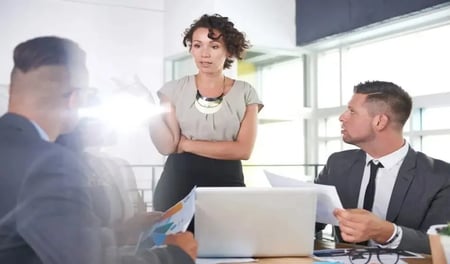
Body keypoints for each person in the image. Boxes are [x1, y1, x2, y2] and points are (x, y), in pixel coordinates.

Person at [0, 36, 197, 264]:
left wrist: (120, 233)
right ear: (75, 98)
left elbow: (41, 237)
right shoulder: (50, 163)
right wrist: (174, 255)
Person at [149, 14, 263, 232]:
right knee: (174, 255)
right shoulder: (172, 90)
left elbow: (243, 149)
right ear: (191, 49)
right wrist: (147, 107)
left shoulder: (245, 92)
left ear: (228, 50)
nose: (204, 53)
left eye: (214, 45)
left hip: (227, 186)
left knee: (229, 250)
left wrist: (187, 144)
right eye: (197, 45)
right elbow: (167, 146)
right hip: (176, 185)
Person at [315, 81, 450, 254]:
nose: (342, 117)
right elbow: (310, 219)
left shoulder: (441, 176)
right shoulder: (337, 164)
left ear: (380, 121)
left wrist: (387, 233)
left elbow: (443, 245)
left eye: (352, 111)